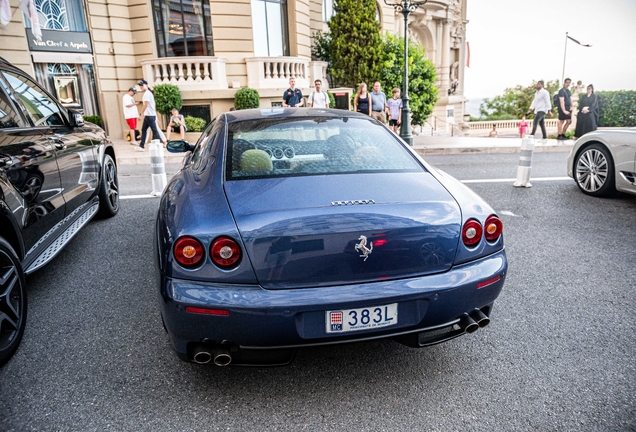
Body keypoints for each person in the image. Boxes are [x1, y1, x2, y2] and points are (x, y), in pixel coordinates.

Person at [137, 79, 166, 150]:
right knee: (144, 130)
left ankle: (161, 144)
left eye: (142, 85)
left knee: (154, 130)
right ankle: (142, 145)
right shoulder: (147, 93)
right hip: (148, 116)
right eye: (140, 86)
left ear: (146, 85)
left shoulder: (147, 93)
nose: (141, 87)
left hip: (150, 116)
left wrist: (141, 114)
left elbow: (146, 104)